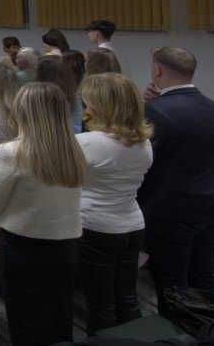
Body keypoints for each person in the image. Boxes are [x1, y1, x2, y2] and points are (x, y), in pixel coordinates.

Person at [0, 82, 86, 346]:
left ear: (23, 112)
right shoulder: (75, 151)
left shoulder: (11, 152)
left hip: (23, 246)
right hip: (65, 245)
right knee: (59, 317)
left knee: (25, 319)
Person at [138, 47, 214, 316]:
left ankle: (177, 331)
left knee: (171, 284)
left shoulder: (155, 112)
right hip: (209, 207)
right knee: (204, 276)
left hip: (167, 213)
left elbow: (141, 162)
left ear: (157, 70)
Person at [76, 72, 153, 334]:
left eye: (87, 103)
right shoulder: (143, 142)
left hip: (95, 229)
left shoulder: (86, 143)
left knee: (100, 306)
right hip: (132, 225)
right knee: (127, 298)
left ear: (99, 106)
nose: (85, 108)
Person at [36, 55, 82, 133]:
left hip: (47, 138)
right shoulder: (74, 96)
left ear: (40, 74)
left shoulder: (37, 96)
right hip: (75, 136)